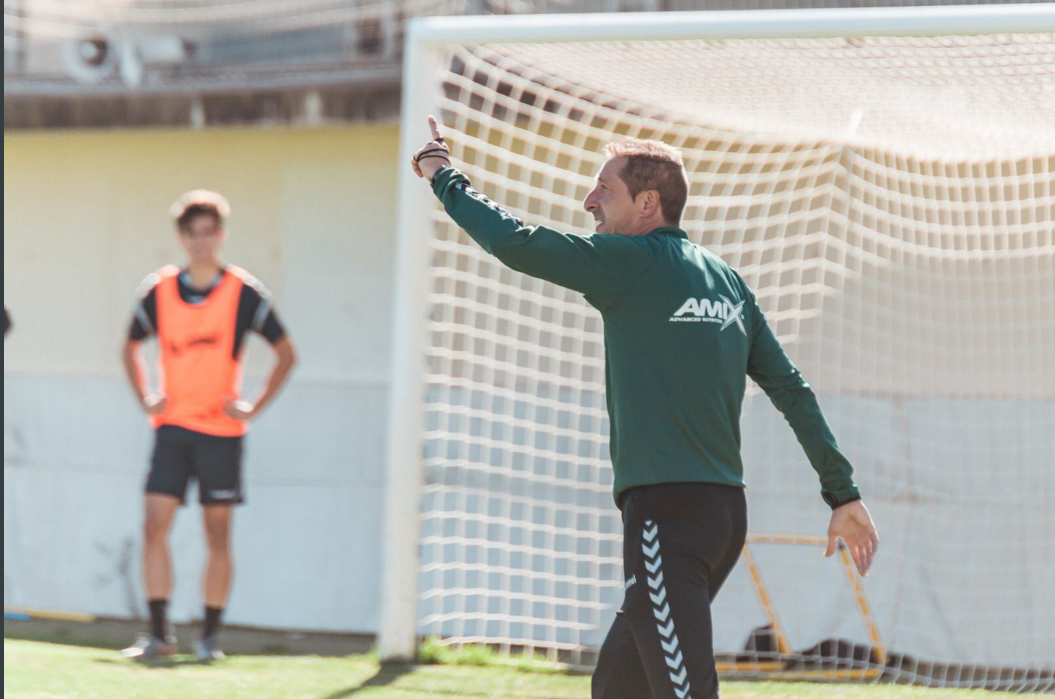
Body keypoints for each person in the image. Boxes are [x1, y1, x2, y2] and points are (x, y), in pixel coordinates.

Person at [411, 117, 879, 699]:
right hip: (722, 519)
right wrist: (843, 492)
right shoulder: (728, 281)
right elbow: (791, 390)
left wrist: (442, 173)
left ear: (648, 203)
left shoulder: (628, 263)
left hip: (666, 521)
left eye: (604, 189)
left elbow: (514, 240)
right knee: (616, 687)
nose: (589, 202)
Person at [120, 190, 297, 660]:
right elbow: (129, 346)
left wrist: (252, 407)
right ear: (181, 237)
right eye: (192, 233)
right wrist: (146, 398)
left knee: (217, 535)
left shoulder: (243, 292)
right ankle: (159, 637)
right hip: (171, 429)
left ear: (221, 234)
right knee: (153, 523)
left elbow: (285, 353)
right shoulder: (158, 291)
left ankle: (209, 640)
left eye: (209, 232)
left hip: (221, 433)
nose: (201, 242)